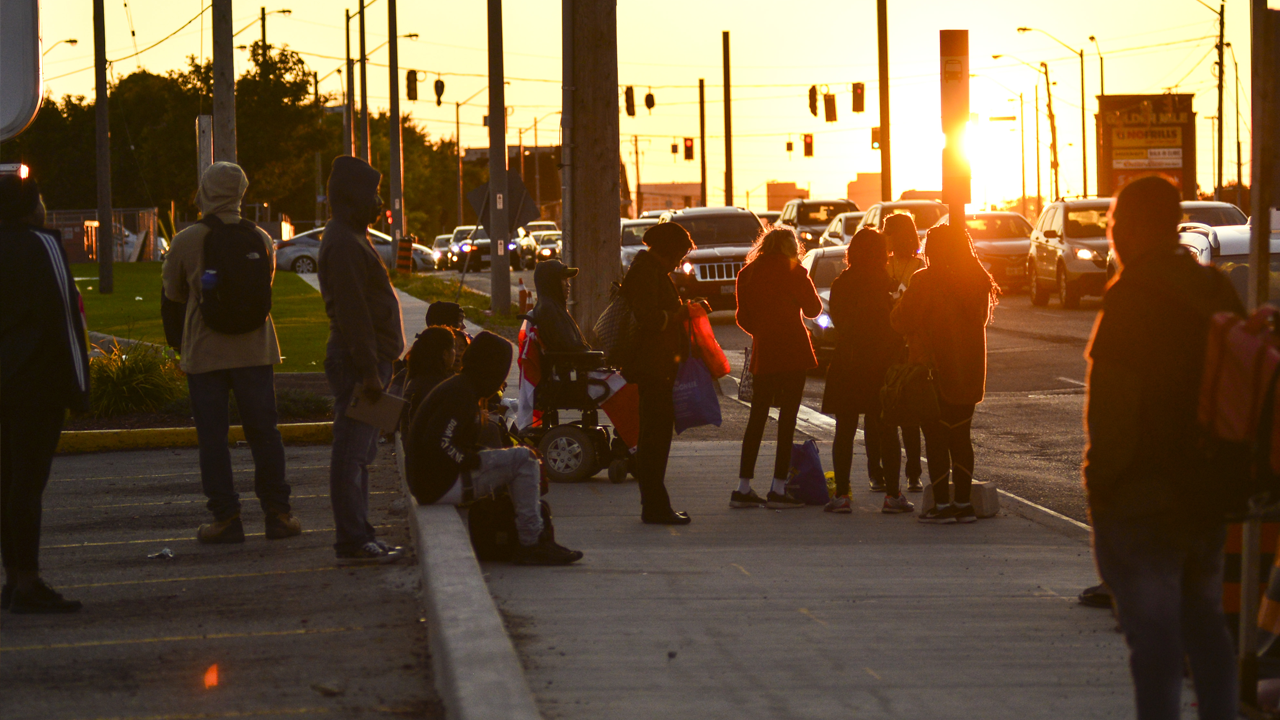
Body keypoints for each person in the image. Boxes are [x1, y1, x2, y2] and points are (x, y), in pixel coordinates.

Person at [1084, 176, 1242, 719]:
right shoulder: (1216, 289)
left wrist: (1099, 483)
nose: (1112, 237)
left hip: (1144, 494)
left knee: (1153, 644)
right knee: (1206, 627)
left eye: (1113, 225)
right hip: (1207, 488)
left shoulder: (1131, 297)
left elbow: (1114, 405)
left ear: (1130, 227)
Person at [162, 162, 298, 545]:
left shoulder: (188, 239)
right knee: (265, 434)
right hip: (255, 349)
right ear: (241, 192)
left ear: (205, 190)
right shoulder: (261, 238)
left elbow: (172, 293)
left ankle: (226, 519)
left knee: (213, 438)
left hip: (206, 352)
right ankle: (278, 514)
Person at [407, 332, 582, 565]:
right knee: (524, 460)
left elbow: (450, 442)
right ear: (489, 368)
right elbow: (440, 442)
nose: (501, 382)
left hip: (433, 481)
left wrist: (486, 455)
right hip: (435, 486)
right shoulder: (460, 394)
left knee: (519, 456)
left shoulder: (462, 387)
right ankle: (531, 543)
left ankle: (535, 537)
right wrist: (478, 459)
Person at [0, 171, 91, 613]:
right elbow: (65, 319)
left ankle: (13, 576)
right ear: (26, 206)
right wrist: (80, 388)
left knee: (5, 481)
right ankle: (29, 581)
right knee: (28, 484)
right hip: (35, 383)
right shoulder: (42, 245)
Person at [318, 156, 406, 565]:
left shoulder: (353, 236)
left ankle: (361, 533)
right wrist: (371, 370)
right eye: (372, 193)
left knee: (362, 454)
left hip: (371, 362)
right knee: (352, 454)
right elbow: (354, 314)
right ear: (353, 197)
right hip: (358, 365)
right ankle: (352, 539)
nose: (377, 201)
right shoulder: (343, 242)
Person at [891, 223, 998, 524]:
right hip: (969, 371)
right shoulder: (978, 279)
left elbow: (901, 320)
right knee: (961, 437)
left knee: (936, 438)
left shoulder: (925, 280)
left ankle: (940, 506)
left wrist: (896, 303)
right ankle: (963, 503)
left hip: (933, 371)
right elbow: (981, 320)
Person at [821, 229, 914, 515]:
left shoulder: (841, 283)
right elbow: (897, 325)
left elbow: (838, 321)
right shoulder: (888, 285)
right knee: (887, 429)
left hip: (848, 363)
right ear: (880, 253)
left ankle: (842, 495)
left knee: (844, 430)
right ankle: (893, 495)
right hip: (881, 364)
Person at [733, 226, 823, 509]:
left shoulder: (746, 274)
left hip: (765, 354)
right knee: (787, 421)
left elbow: (741, 317)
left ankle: (743, 487)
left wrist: (762, 332)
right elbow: (813, 310)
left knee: (757, 419)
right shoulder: (794, 271)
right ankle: (778, 488)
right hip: (794, 353)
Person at [619, 223, 696, 525]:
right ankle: (654, 506)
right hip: (653, 367)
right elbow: (649, 318)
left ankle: (655, 503)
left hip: (659, 366)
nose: (679, 261)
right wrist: (680, 314)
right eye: (678, 254)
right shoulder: (646, 274)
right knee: (654, 438)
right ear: (666, 250)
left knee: (656, 437)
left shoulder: (650, 271)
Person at [882, 213, 926, 493]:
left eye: (889, 232)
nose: (885, 237)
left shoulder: (918, 265)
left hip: (908, 344)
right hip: (886, 343)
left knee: (909, 414)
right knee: (884, 414)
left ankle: (913, 473)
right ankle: (881, 474)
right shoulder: (883, 263)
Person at [530, 259, 590, 353]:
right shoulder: (549, 310)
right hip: (572, 365)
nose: (568, 285)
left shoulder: (554, 306)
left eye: (567, 280)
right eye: (563, 279)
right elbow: (570, 347)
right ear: (552, 282)